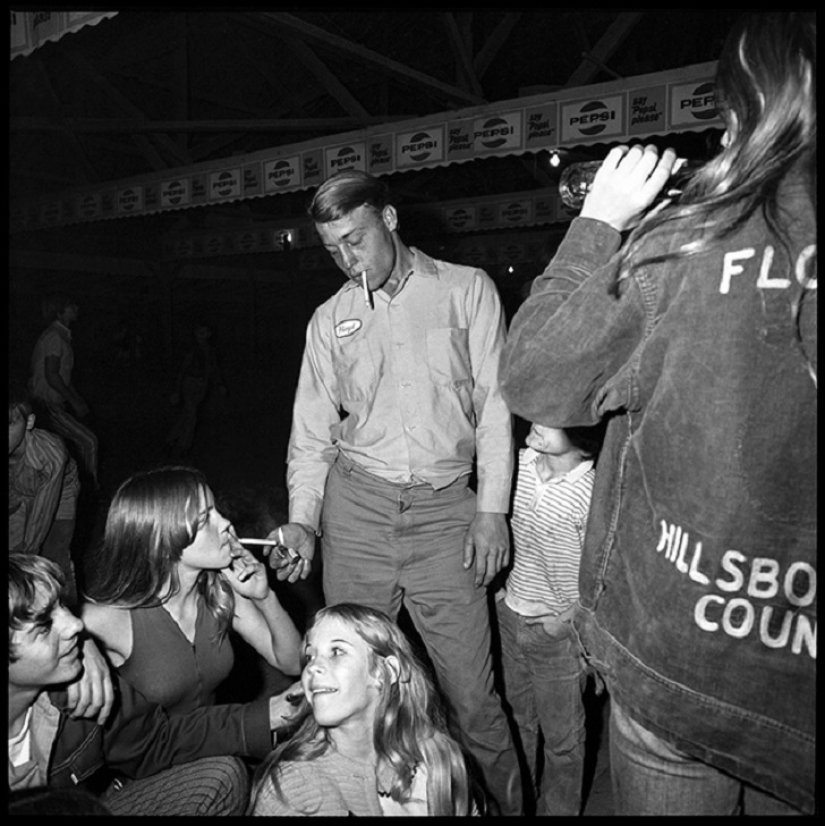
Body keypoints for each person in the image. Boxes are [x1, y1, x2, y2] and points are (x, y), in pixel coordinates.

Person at [500, 11, 815, 816]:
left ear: (747, 106)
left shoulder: (686, 242)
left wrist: (600, 220)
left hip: (681, 656)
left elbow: (537, 376)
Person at [268, 169, 522, 814]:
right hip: (358, 513)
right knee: (349, 695)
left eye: (355, 240)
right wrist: (304, 521)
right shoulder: (330, 320)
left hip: (446, 514)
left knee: (472, 698)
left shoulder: (467, 290)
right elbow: (312, 433)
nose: (347, 261)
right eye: (332, 250)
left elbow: (496, 407)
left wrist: (491, 511)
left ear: (389, 219)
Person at [8, 553, 301, 815]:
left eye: (61, 606)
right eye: (45, 625)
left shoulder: (80, 687)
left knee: (224, 775)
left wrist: (265, 715)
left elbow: (157, 740)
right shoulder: (116, 622)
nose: (75, 625)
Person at [81, 466, 302, 716]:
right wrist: (81, 645)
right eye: (205, 519)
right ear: (162, 540)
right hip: (144, 754)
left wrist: (264, 597)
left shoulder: (219, 592)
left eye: (216, 511)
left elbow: (292, 663)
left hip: (209, 742)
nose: (226, 523)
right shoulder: (113, 618)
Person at [249, 603, 477, 816]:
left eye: (336, 651)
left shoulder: (437, 760)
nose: (313, 667)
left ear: (384, 672)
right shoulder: (295, 789)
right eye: (310, 655)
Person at [495, 422, 603, 815]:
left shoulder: (592, 494)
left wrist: (569, 620)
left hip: (558, 635)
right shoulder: (519, 465)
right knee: (517, 722)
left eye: (551, 417)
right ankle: (518, 805)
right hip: (510, 616)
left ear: (584, 439)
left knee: (563, 741)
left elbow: (603, 574)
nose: (536, 420)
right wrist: (504, 587)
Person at [9, 385, 81, 606]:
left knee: (53, 555)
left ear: (29, 423)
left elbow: (41, 517)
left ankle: (68, 615)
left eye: (9, 424)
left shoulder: (49, 454)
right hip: (17, 487)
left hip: (58, 495)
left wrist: (28, 554)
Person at [28, 293, 99, 489]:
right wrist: (74, 401)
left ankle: (73, 490)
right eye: (71, 305)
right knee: (88, 442)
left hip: (51, 403)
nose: (76, 308)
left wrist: (77, 399)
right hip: (46, 405)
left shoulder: (61, 336)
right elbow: (52, 375)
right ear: (60, 311)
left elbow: (62, 376)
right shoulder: (54, 337)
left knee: (63, 450)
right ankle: (90, 491)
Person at [164, 323, 227, 460]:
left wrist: (219, 384)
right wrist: (177, 390)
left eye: (206, 332)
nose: (203, 335)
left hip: (201, 384)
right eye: (200, 332)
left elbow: (213, 368)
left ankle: (170, 439)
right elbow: (182, 369)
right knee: (191, 414)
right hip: (190, 382)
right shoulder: (191, 350)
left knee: (187, 413)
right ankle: (184, 446)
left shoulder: (210, 350)